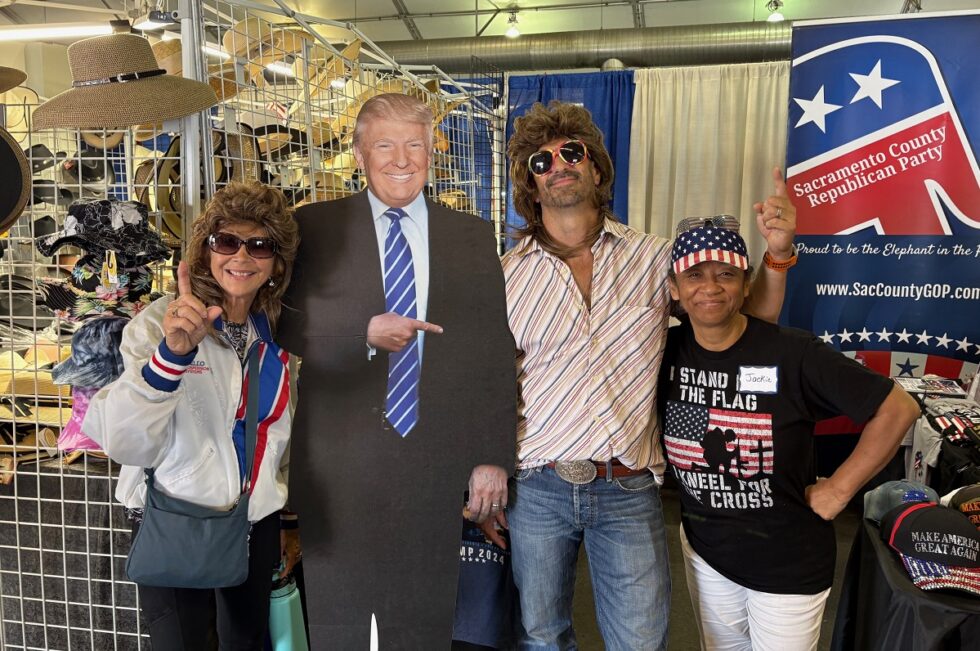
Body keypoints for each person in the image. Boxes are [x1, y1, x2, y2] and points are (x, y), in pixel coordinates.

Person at [486, 100, 797, 650]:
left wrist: (777, 255)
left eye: (571, 152)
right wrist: (486, 478)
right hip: (536, 486)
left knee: (641, 641)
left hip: (627, 485)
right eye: (541, 161)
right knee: (541, 637)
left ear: (596, 167)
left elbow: (746, 320)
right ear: (530, 185)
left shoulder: (654, 258)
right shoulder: (505, 275)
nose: (558, 165)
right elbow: (488, 385)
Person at [277, 92, 517, 648]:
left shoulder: (471, 236)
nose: (401, 159)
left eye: (414, 145)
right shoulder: (314, 227)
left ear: (432, 152)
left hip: (433, 462)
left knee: (422, 626)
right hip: (337, 464)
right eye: (385, 145)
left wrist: (491, 458)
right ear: (360, 153)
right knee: (338, 628)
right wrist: (360, 333)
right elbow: (285, 325)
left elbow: (491, 353)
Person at [660, 220, 920, 650]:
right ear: (674, 288)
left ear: (746, 284)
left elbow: (898, 408)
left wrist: (840, 488)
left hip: (787, 560)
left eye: (726, 273)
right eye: (694, 275)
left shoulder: (792, 352)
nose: (710, 287)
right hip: (707, 553)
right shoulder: (663, 350)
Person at [84, 182, 301, 650]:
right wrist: (171, 357)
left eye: (260, 245)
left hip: (254, 521)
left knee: (246, 642)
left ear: (277, 263)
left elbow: (279, 435)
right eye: (227, 241)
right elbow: (124, 443)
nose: (241, 256)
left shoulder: (277, 334)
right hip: (174, 516)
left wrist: (285, 518)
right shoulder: (163, 322)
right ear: (205, 250)